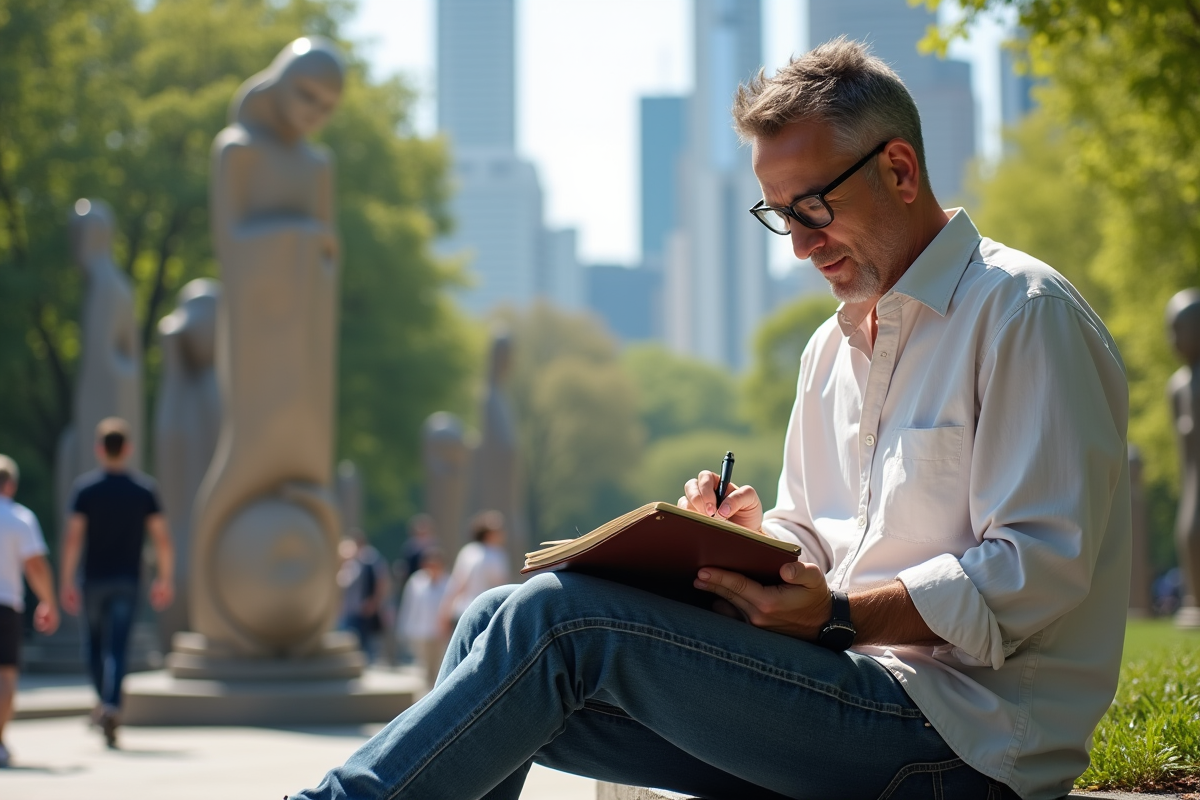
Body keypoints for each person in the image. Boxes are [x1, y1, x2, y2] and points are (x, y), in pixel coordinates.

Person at [288, 40, 1129, 800]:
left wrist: (836, 613)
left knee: (560, 625)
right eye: (778, 215)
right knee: (490, 622)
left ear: (900, 171)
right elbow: (830, 549)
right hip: (842, 701)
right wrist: (754, 550)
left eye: (812, 208)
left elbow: (1038, 570)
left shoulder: (1022, 312)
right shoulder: (830, 351)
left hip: (964, 746)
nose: (798, 245)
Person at [59, 417, 174, 748]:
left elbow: (72, 538)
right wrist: (164, 577)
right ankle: (110, 705)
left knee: (93, 646)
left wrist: (66, 579)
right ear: (127, 449)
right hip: (127, 579)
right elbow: (162, 539)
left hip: (92, 578)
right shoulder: (144, 490)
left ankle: (104, 702)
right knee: (118, 648)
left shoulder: (85, 490)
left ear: (99, 449)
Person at [0, 455, 59, 768]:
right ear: (10, 484)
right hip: (7, 604)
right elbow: (35, 565)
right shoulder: (20, 518)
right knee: (6, 674)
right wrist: (48, 600)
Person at [437, 511, 511, 637]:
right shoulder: (497, 554)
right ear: (488, 534)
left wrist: (445, 610)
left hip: (463, 611)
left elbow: (457, 584)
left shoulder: (468, 551)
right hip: (487, 613)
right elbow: (501, 586)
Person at [395, 548, 450, 688]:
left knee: (440, 665)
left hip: (441, 632)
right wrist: (405, 628)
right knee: (425, 665)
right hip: (421, 630)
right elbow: (409, 606)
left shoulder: (448, 582)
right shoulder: (416, 582)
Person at [337, 530, 389, 661]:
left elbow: (380, 582)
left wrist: (374, 602)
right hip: (350, 609)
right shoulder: (351, 562)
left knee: (365, 642)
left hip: (363, 608)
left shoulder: (371, 560)